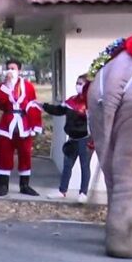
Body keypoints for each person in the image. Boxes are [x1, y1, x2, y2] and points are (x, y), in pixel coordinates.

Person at [0, 59, 43, 197]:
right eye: (8, 68)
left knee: (25, 154)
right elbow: (1, 100)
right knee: (4, 154)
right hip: (7, 125)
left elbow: (33, 105)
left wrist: (35, 125)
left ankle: (24, 185)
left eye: (13, 68)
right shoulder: (1, 87)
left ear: (19, 70)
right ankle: (3, 186)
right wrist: (8, 85)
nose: (11, 71)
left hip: (24, 124)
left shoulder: (28, 86)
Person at [41, 74, 92, 204]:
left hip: (85, 139)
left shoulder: (90, 103)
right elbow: (59, 110)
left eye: (81, 84)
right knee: (67, 165)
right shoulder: (71, 101)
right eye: (77, 83)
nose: (78, 86)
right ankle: (62, 191)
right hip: (72, 139)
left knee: (84, 166)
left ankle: (83, 193)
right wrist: (43, 106)